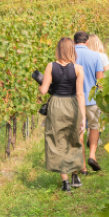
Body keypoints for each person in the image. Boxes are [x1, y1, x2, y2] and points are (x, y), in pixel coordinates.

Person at [39, 37, 86, 192]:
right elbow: (80, 94)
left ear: (58, 50)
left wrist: (42, 82)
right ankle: (75, 176)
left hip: (56, 105)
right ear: (72, 50)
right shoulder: (78, 68)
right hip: (72, 104)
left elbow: (44, 90)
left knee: (57, 140)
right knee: (73, 138)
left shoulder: (50, 66)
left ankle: (65, 182)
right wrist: (83, 117)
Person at [74, 31, 104, 172]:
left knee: (80, 130)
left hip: (74, 100)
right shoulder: (95, 56)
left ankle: (83, 166)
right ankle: (92, 155)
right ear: (87, 41)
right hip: (92, 100)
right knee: (94, 127)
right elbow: (100, 81)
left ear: (74, 42)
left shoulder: (69, 55)